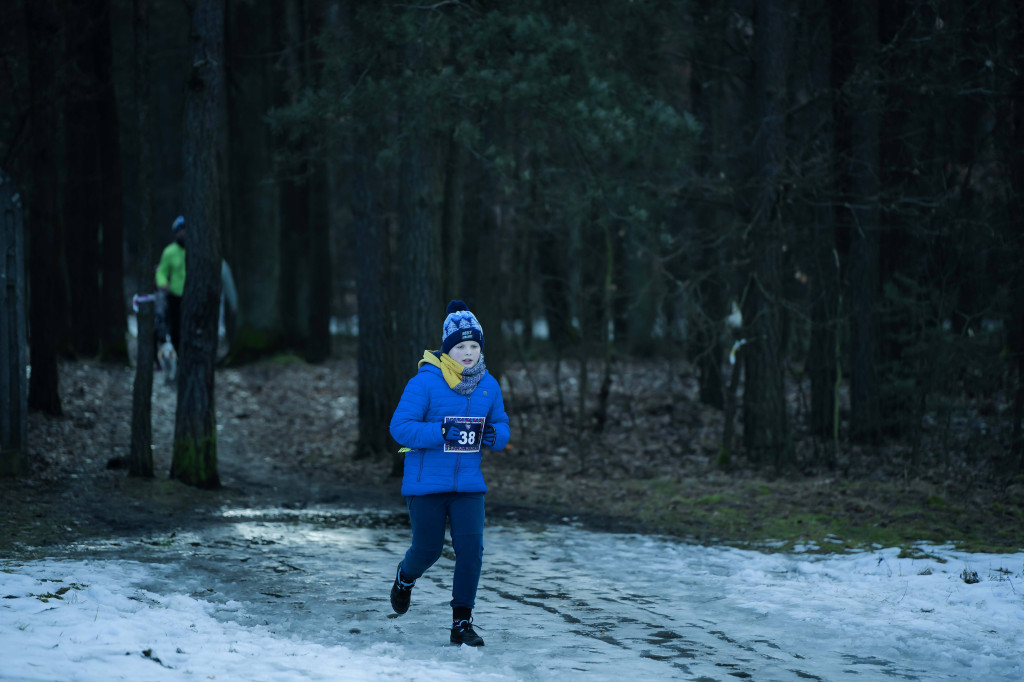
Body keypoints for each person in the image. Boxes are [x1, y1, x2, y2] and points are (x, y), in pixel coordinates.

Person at [388, 300, 511, 647]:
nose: (468, 352)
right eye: (461, 346)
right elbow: (400, 428)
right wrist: (440, 431)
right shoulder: (425, 382)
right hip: (426, 484)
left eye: (474, 345)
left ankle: (462, 623)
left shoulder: (489, 385)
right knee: (428, 551)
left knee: (471, 552)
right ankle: (404, 578)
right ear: (447, 349)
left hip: (469, 485)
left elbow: (501, 425)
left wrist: (495, 436)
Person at [155, 215, 186, 351]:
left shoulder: (197, 250)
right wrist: (162, 283)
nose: (183, 232)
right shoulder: (169, 252)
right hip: (175, 296)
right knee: (175, 327)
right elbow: (161, 271)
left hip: (193, 296)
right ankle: (177, 354)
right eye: (180, 230)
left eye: (185, 229)